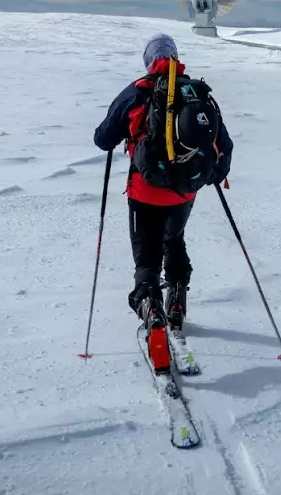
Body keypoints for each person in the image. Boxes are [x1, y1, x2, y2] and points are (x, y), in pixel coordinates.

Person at [93, 33, 232, 332]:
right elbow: (224, 143)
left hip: (144, 190)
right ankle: (177, 296)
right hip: (185, 190)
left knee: (147, 256)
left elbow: (102, 139)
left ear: (147, 61)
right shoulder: (196, 93)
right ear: (175, 57)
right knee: (174, 238)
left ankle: (151, 305)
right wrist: (212, 176)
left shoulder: (136, 92)